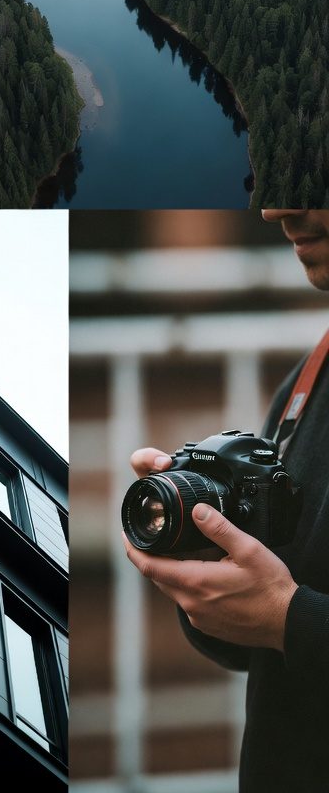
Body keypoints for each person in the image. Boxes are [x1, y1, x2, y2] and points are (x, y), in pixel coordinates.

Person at [125, 209, 329, 793]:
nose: (277, 209)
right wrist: (205, 571)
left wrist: (289, 619)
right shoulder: (308, 380)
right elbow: (265, 649)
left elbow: (289, 617)